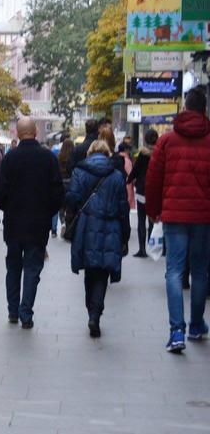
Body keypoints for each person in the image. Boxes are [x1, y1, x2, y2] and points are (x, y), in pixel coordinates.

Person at [144, 87, 210, 353]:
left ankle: (176, 331)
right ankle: (196, 324)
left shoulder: (167, 141)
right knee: (200, 271)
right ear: (204, 109)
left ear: (185, 107)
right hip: (204, 217)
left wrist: (154, 210)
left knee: (174, 271)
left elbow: (153, 178)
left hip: (173, 215)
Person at [0, 117, 64, 329]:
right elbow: (58, 193)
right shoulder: (48, 159)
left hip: (14, 224)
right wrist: (46, 213)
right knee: (32, 269)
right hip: (38, 224)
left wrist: (8, 208)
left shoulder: (10, 158)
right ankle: (26, 312)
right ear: (35, 131)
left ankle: (13, 310)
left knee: (13, 266)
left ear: (17, 133)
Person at [66, 140, 130, 338]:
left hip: (86, 226)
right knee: (102, 271)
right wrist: (125, 234)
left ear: (90, 152)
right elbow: (123, 208)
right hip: (110, 227)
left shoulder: (79, 172)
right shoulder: (117, 175)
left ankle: (91, 311)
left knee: (90, 270)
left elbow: (72, 200)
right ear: (107, 153)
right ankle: (95, 313)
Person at [127, 129, 158, 257]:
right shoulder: (159, 153)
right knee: (152, 220)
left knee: (141, 219)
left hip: (142, 189)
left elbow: (136, 170)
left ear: (145, 139)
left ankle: (142, 250)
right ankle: (152, 248)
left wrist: (129, 179)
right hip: (155, 190)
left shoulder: (143, 154)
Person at [57, 137, 74, 238]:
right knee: (70, 207)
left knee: (61, 207)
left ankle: (62, 223)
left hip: (61, 183)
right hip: (71, 182)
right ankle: (68, 226)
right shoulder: (73, 157)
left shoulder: (59, 156)